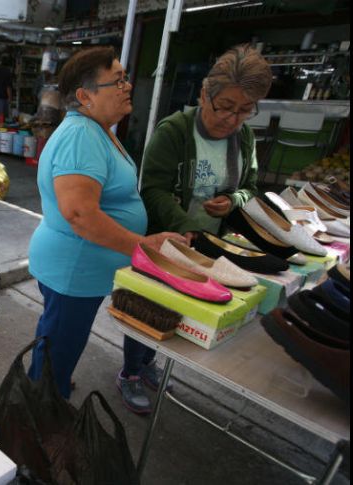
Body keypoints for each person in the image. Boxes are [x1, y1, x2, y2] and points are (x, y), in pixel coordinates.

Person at [119, 44, 273, 413]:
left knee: (181, 311)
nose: (232, 119)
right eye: (225, 107)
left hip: (211, 247)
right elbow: (152, 189)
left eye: (244, 111)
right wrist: (188, 227)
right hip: (170, 241)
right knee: (150, 307)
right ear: (205, 94)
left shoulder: (244, 138)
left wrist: (232, 200)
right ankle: (130, 372)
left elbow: (250, 185)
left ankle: (150, 362)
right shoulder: (174, 131)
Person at [27, 46, 185, 399]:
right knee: (58, 350)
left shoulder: (96, 129)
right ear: (85, 96)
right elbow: (80, 214)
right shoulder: (82, 136)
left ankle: (46, 392)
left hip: (79, 268)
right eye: (117, 81)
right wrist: (143, 246)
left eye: (126, 77)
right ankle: (41, 417)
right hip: (74, 269)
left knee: (57, 341)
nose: (127, 86)